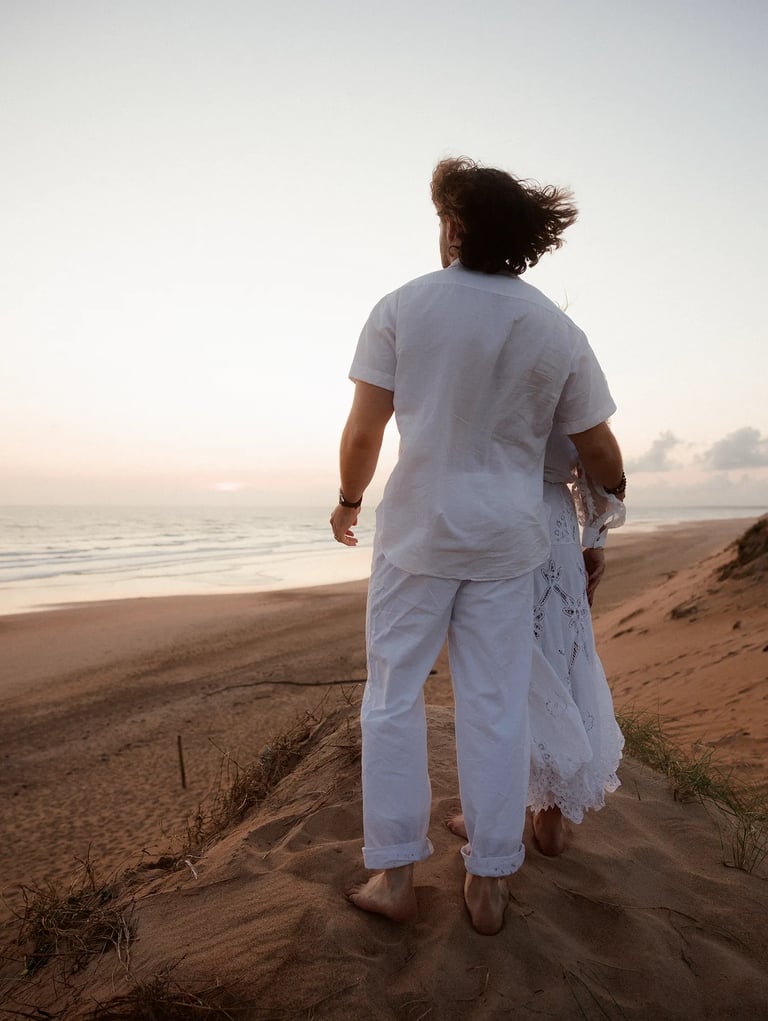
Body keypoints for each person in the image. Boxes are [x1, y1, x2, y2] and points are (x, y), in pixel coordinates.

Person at [330, 156, 624, 935]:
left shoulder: (403, 305)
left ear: (454, 228)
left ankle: (394, 875)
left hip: (418, 533)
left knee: (393, 696)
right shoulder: (557, 329)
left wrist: (349, 499)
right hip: (508, 542)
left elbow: (366, 429)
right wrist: (604, 517)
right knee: (495, 706)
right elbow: (600, 450)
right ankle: (490, 881)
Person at [447, 429, 626, 856]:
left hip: (488, 513)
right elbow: (599, 456)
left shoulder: (470, 361)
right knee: (559, 650)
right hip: (552, 518)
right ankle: (549, 816)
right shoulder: (561, 361)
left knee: (499, 661)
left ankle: (495, 815)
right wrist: (595, 538)